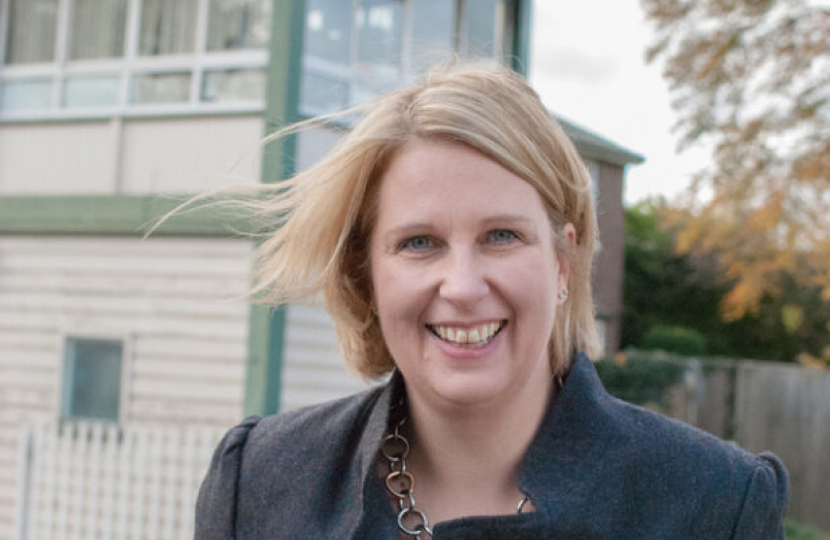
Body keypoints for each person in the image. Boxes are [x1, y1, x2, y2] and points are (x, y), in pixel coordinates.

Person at [194, 62, 788, 539]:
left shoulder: (714, 503)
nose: (463, 285)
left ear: (563, 262)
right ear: (367, 274)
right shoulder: (261, 479)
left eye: (502, 236)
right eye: (419, 242)